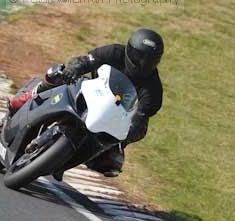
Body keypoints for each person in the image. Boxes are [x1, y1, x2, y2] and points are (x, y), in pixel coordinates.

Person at [8, 28, 164, 179]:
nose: (143, 63)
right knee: (57, 73)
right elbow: (87, 60)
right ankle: (25, 99)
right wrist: (75, 69)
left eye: (150, 60)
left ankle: (65, 160)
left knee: (113, 157)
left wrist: (132, 131)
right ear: (130, 50)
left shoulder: (153, 89)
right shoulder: (115, 52)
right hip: (91, 90)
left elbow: (142, 116)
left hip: (111, 116)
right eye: (139, 56)